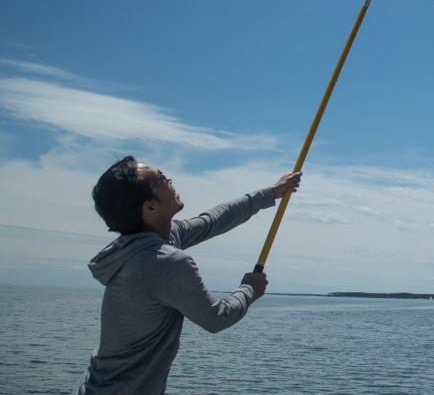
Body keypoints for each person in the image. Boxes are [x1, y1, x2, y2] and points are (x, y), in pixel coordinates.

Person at [75, 156, 301, 394]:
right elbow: (217, 318)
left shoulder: (141, 245)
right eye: (161, 180)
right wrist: (250, 288)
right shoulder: (161, 262)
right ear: (149, 207)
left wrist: (271, 192)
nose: (169, 180)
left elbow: (213, 221)